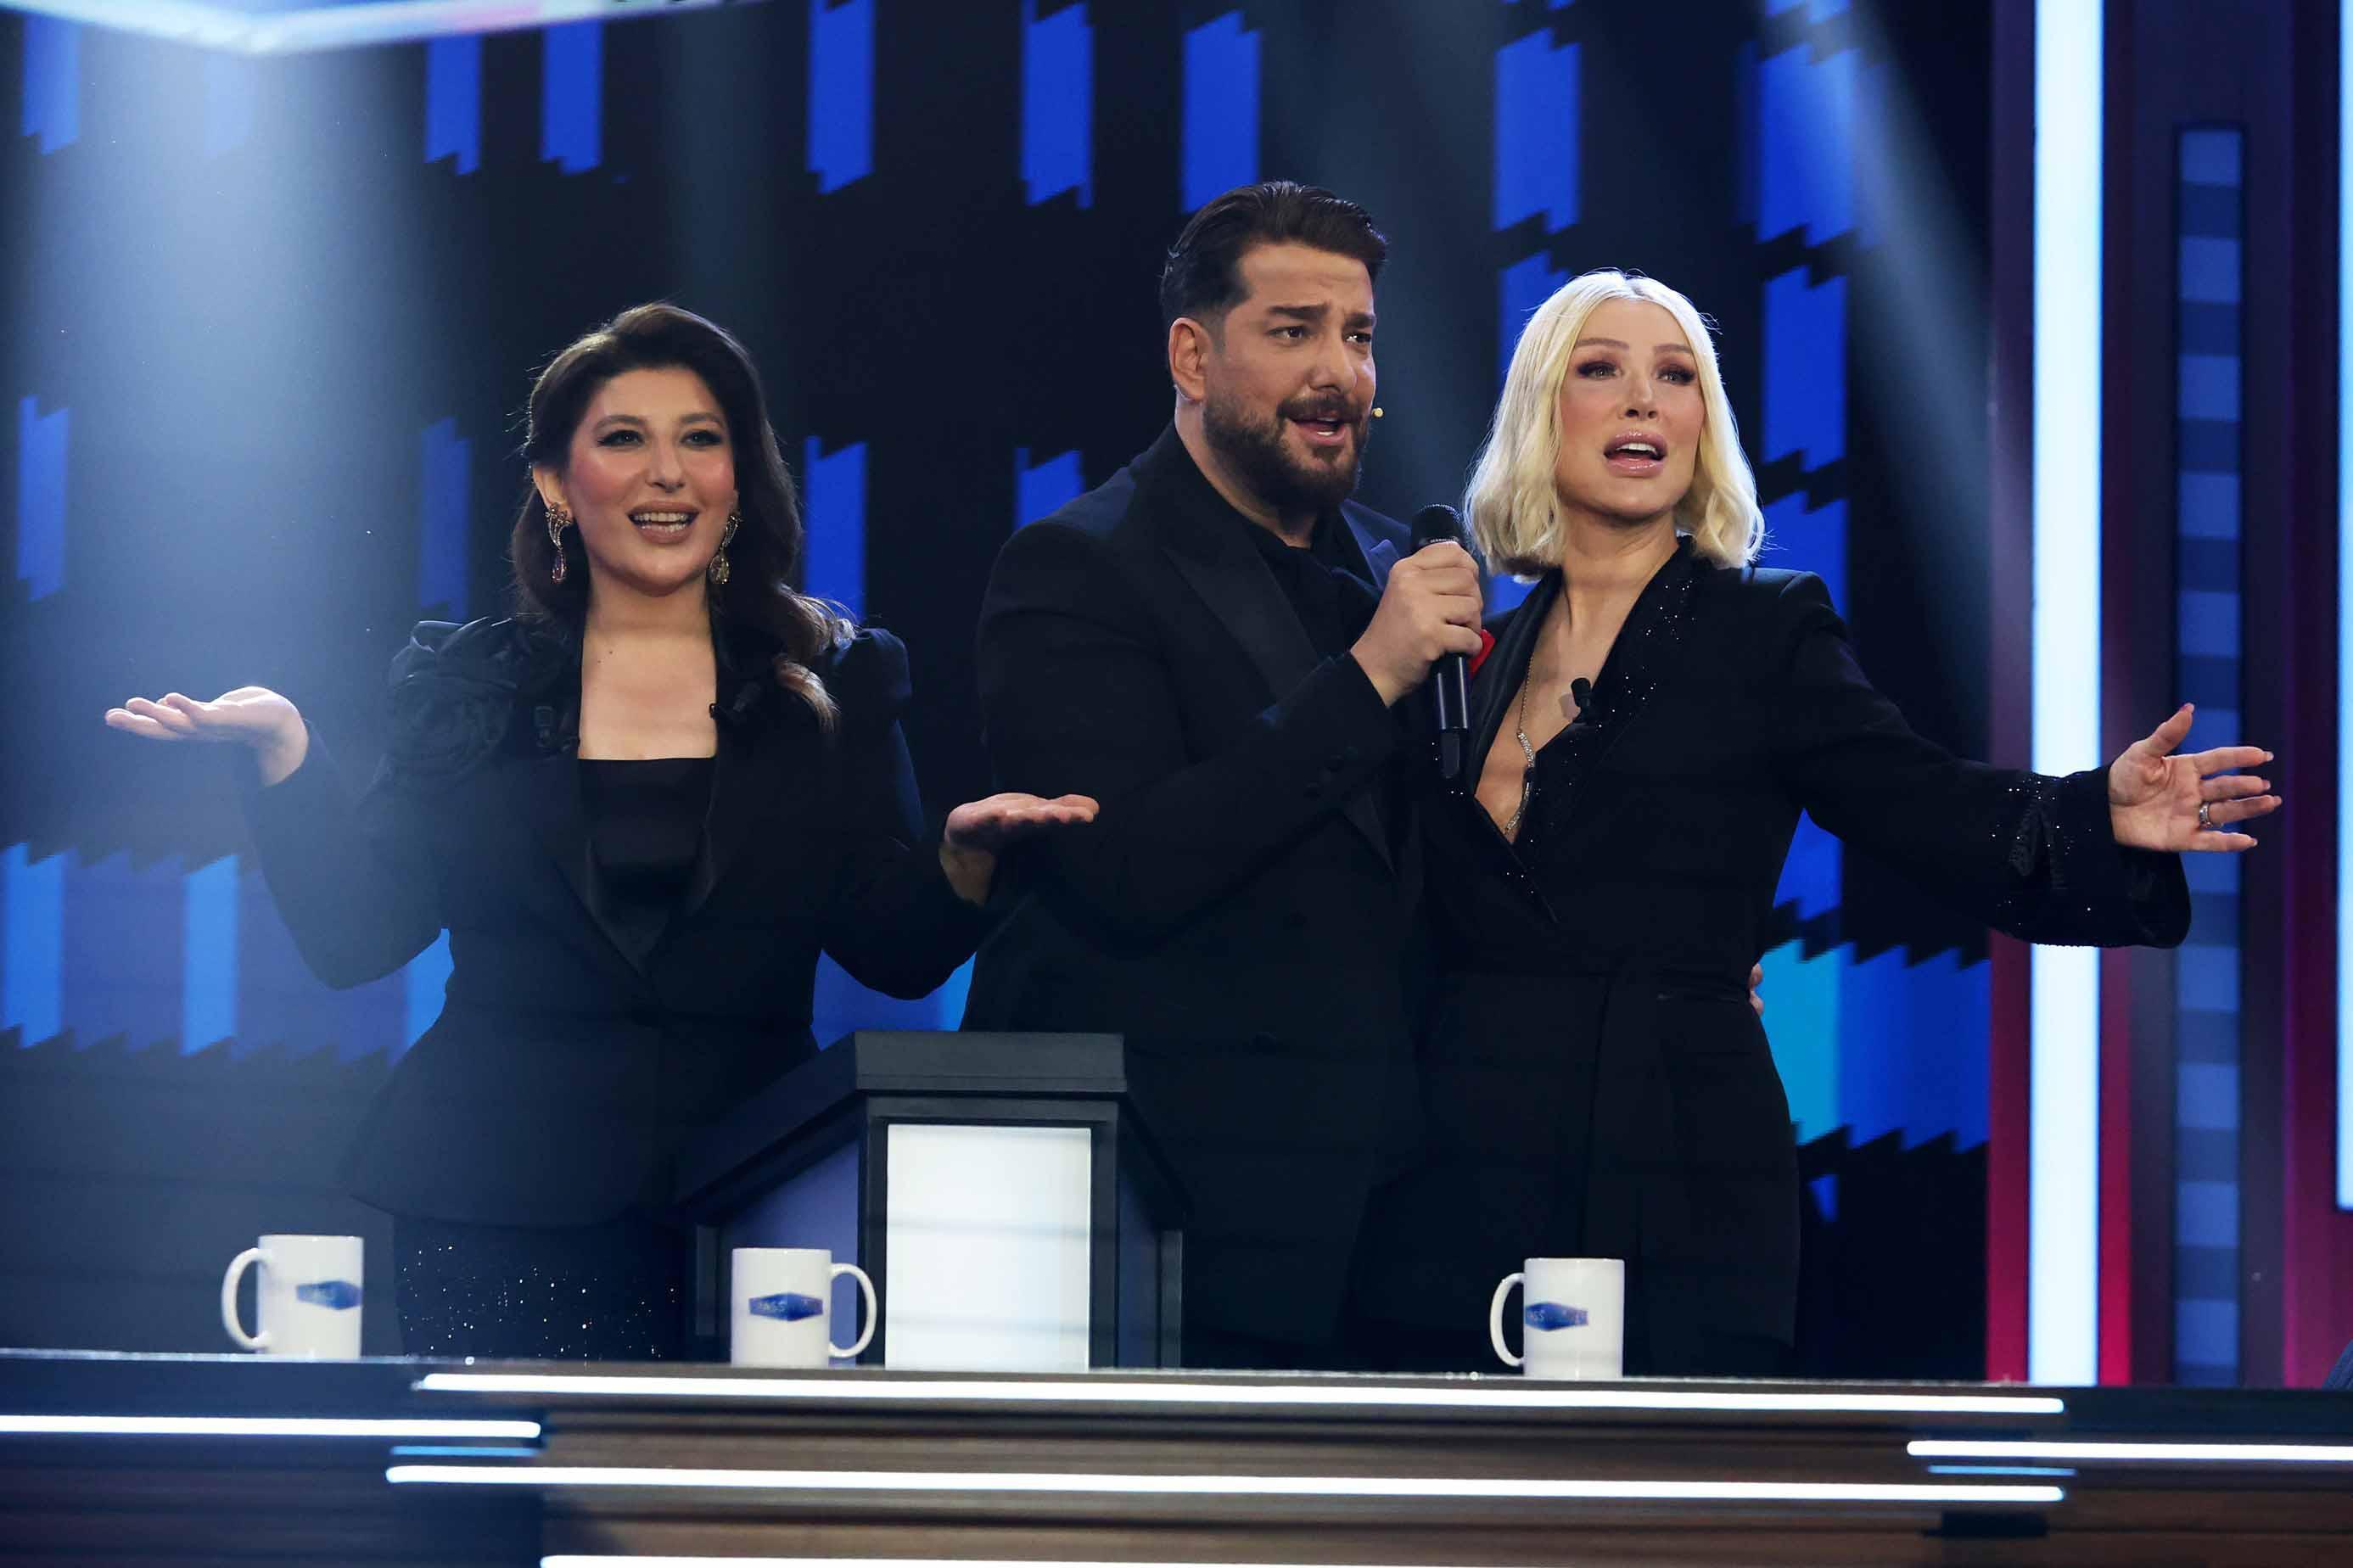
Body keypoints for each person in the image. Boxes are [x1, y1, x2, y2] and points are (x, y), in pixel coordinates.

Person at [105, 304, 1094, 1359]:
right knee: (507, 1472)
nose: (667, 472)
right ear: (554, 484)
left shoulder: (831, 684)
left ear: (737, 479)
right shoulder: (469, 686)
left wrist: (963, 859)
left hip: (754, 1204)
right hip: (493, 1209)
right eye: (624, 438)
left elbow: (891, 952)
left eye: (700, 439)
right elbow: (360, 938)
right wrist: (285, 756)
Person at [1355, 270, 2275, 1377]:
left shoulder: (1764, 632)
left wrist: (2096, 813)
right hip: (1462, 1175)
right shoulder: (1469, 659)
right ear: (1540, 414)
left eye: (1676, 377)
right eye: (1600, 369)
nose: (1643, 399)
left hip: (1673, 1162)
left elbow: (1919, 800)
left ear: (1704, 427)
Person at [959, 182, 1487, 1369]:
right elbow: (1127, 869)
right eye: (1293, 331)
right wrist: (1369, 677)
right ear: (1192, 358)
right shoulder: (1073, 569)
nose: (1340, 373)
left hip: (1392, 1224)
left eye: (1358, 335)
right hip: (1162, 1222)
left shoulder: (1394, 567)